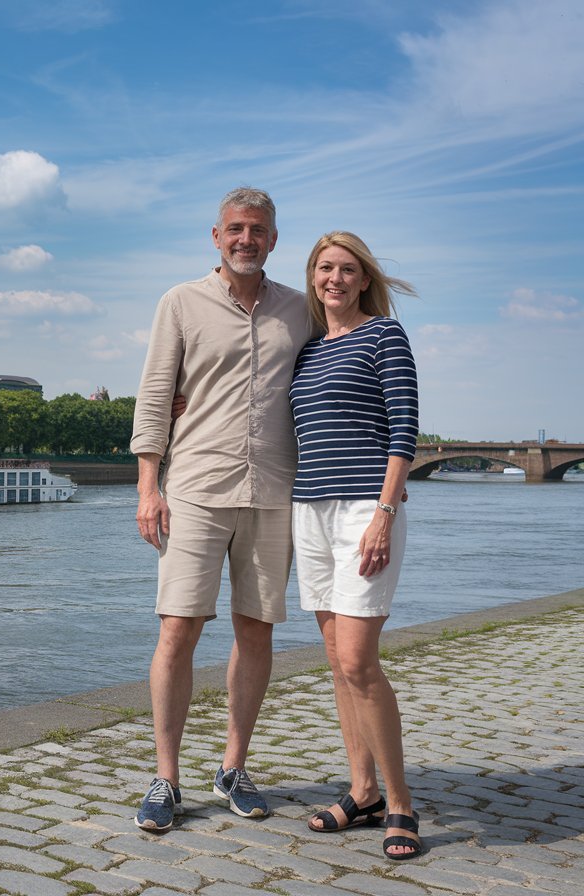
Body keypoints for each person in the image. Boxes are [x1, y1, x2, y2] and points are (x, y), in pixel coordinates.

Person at [130, 187, 315, 832]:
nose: (246, 239)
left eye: (258, 230)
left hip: (272, 490)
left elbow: (331, 379)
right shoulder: (180, 303)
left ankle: (234, 766)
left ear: (273, 240)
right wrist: (148, 485)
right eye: (235, 229)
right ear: (217, 236)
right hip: (196, 489)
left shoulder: (301, 309)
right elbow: (156, 394)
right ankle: (166, 776)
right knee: (177, 629)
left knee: (256, 630)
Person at [289, 231, 422, 861]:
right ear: (313, 277)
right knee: (336, 658)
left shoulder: (384, 337)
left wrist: (384, 514)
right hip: (308, 511)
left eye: (346, 269)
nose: (334, 279)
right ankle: (362, 789)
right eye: (324, 269)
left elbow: (404, 431)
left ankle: (400, 803)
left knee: (360, 661)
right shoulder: (309, 351)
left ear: (364, 278)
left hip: (362, 513)